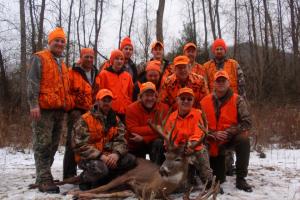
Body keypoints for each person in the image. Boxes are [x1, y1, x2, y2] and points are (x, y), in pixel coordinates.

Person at [27, 27, 74, 193]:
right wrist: (33, 105)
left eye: (62, 41)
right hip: (43, 110)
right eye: (57, 40)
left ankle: (44, 175)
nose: (60, 44)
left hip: (58, 111)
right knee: (43, 144)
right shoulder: (39, 58)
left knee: (53, 145)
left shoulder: (61, 64)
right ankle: (44, 179)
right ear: (50, 42)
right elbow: (32, 82)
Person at [73, 89, 136, 190]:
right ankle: (84, 179)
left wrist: (116, 154)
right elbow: (79, 145)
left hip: (109, 156)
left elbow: (122, 139)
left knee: (131, 160)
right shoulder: (85, 119)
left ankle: (106, 180)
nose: (107, 103)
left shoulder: (115, 119)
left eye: (109, 100)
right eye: (104, 100)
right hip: (89, 158)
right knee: (101, 169)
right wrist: (100, 156)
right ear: (97, 101)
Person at [200, 70, 252, 192]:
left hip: (230, 138)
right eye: (218, 81)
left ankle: (241, 179)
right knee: (220, 179)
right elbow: (199, 125)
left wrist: (230, 132)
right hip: (213, 141)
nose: (221, 83)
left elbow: (247, 122)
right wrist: (213, 133)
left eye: (223, 81)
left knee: (244, 140)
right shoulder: (204, 102)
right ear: (214, 84)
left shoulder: (237, 100)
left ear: (229, 83)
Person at [164, 87, 213, 187]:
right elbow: (169, 139)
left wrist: (191, 146)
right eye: (182, 99)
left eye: (189, 99)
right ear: (177, 100)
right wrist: (179, 148)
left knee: (202, 153)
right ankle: (188, 176)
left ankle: (208, 180)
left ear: (193, 101)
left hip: (195, 149)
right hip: (178, 151)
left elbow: (198, 134)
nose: (186, 101)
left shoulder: (198, 114)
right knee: (178, 185)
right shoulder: (171, 117)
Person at [63, 48, 98, 180]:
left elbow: (97, 92)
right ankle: (69, 174)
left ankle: (87, 171)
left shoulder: (95, 73)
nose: (89, 59)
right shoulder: (72, 73)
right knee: (72, 142)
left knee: (88, 142)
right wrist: (73, 107)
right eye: (86, 57)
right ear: (81, 57)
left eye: (91, 57)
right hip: (76, 112)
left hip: (91, 112)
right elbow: (67, 92)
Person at [126, 82, 169, 165]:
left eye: (152, 95)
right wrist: (156, 128)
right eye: (146, 95)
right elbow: (132, 130)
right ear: (140, 97)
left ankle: (156, 171)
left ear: (156, 97)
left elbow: (165, 130)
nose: (150, 98)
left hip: (153, 143)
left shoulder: (164, 108)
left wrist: (144, 139)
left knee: (159, 143)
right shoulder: (131, 109)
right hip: (136, 144)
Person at [97, 49, 133, 123]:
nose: (119, 61)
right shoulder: (104, 74)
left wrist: (128, 105)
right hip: (109, 111)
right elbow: (99, 93)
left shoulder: (127, 76)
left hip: (124, 111)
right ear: (112, 60)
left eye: (121, 59)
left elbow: (130, 93)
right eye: (117, 59)